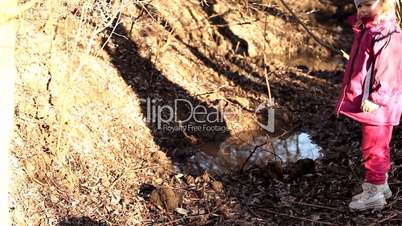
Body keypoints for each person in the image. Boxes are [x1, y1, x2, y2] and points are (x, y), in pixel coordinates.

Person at [335, 0, 402, 211]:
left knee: (373, 149)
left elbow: (389, 72)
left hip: (378, 105)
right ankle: (381, 186)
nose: (361, 10)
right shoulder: (370, 29)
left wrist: (375, 99)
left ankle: (373, 193)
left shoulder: (387, 33)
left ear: (384, 3)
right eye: (358, 6)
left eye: (367, 4)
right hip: (375, 102)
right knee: (378, 146)